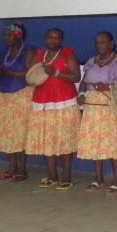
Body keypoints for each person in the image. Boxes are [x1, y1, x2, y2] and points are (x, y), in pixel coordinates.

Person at [25, 28, 81, 191]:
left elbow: (76, 77)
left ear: (61, 40)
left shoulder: (67, 55)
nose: (53, 40)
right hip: (42, 102)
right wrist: (32, 79)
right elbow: (33, 75)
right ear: (46, 38)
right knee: (46, 139)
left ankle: (66, 176)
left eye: (57, 38)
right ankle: (52, 175)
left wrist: (56, 72)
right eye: (50, 37)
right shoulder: (40, 55)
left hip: (64, 103)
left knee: (64, 139)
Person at [77, 31, 117, 195]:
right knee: (96, 141)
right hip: (92, 107)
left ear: (112, 43)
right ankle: (98, 177)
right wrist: (81, 94)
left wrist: (109, 87)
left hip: (111, 106)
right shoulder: (91, 62)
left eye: (103, 42)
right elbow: (83, 83)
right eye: (97, 42)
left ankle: (116, 180)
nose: (100, 45)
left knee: (113, 141)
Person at [0, 23, 35, 182]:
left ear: (19, 35)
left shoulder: (29, 51)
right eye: (5, 35)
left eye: (9, 35)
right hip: (5, 97)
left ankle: (22, 169)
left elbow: (29, 73)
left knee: (21, 132)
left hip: (21, 96)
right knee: (7, 132)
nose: (6, 38)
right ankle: (11, 167)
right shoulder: (3, 53)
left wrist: (6, 72)